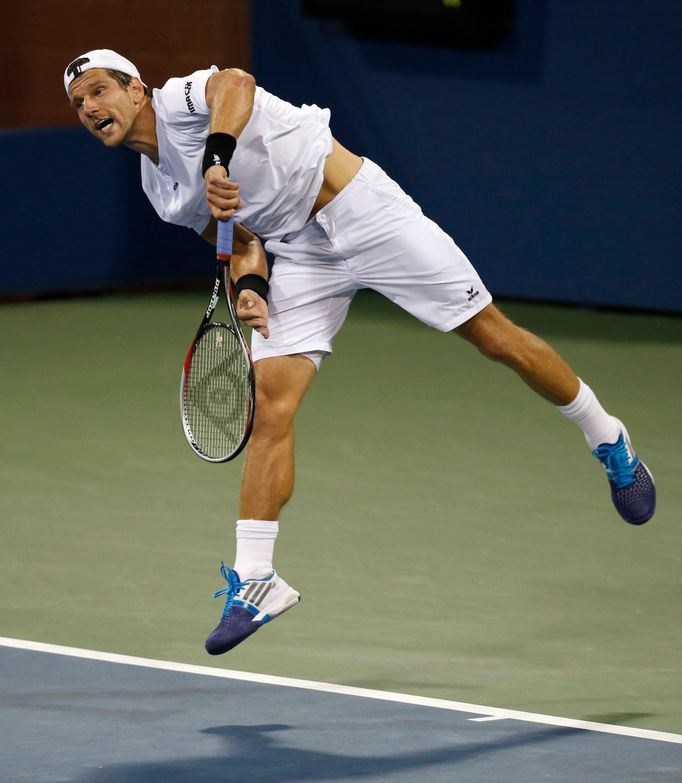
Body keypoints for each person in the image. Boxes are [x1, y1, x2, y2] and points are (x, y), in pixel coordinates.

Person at [64, 49, 656, 655]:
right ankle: (257, 579)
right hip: (298, 256)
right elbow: (242, 240)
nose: (89, 108)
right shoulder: (161, 191)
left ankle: (606, 436)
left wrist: (215, 158)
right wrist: (251, 288)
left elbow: (236, 83)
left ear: (137, 89)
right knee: (270, 405)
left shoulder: (180, 100)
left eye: (97, 90)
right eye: (79, 103)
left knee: (494, 337)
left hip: (362, 209)